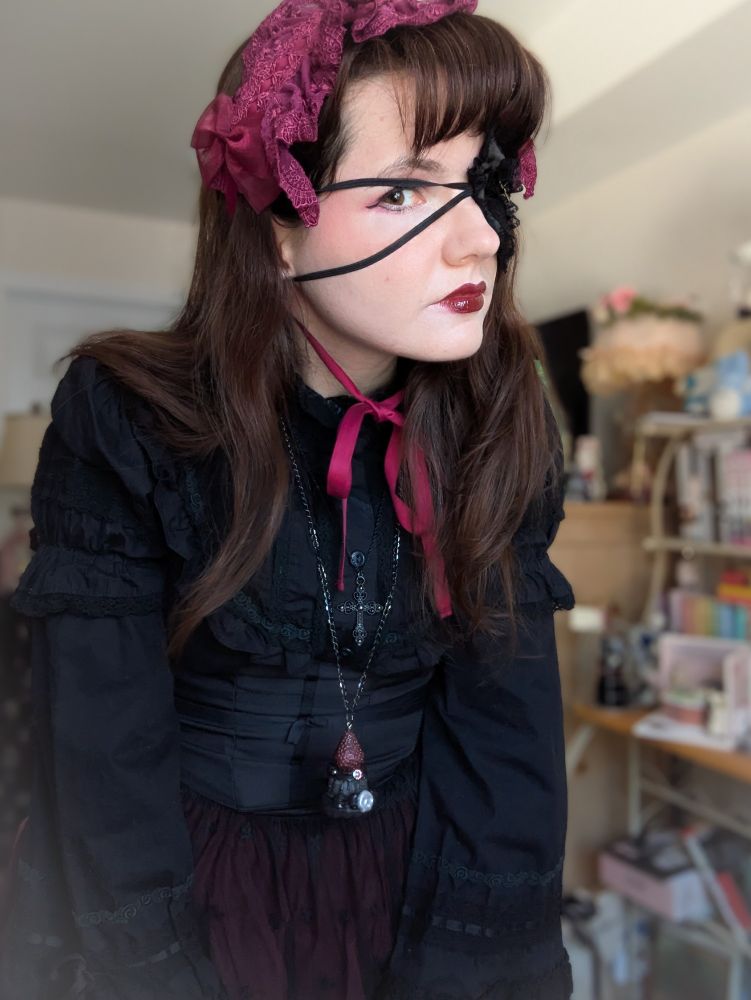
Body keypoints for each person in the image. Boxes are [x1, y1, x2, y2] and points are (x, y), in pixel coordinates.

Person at [0, 1, 576, 997]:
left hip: (415, 883)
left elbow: (507, 742)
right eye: (403, 189)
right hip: (195, 896)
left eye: (484, 184)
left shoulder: (501, 416)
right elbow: (101, 747)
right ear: (276, 228)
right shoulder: (129, 420)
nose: (479, 238)